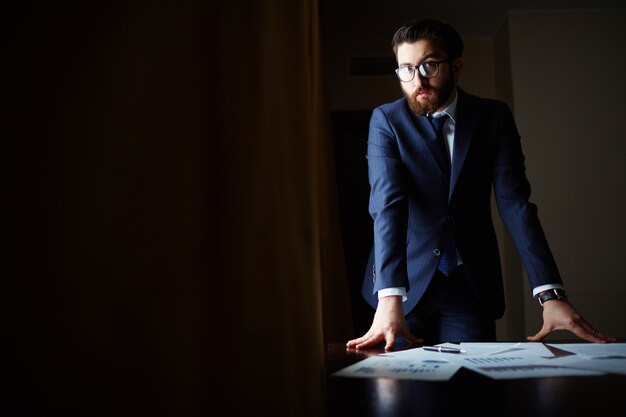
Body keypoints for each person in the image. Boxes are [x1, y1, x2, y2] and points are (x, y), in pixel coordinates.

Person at [346, 18, 614, 351]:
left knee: (473, 394)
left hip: (469, 286)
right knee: (399, 394)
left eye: (429, 66)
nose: (418, 80)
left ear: (456, 67)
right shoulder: (386, 120)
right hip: (402, 289)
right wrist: (389, 294)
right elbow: (388, 206)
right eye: (406, 69)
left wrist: (550, 294)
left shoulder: (493, 118)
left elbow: (515, 204)